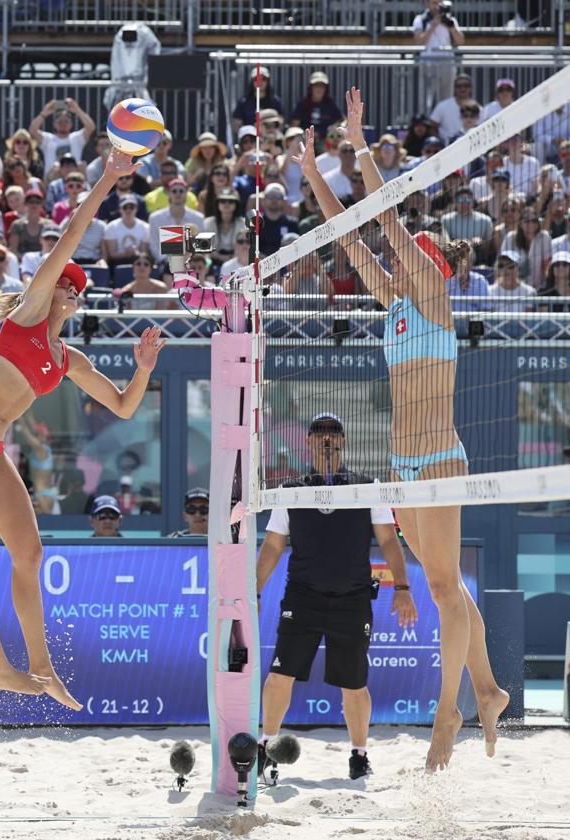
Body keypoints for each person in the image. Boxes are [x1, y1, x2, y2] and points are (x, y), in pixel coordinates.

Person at [305, 89, 509, 771]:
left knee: (447, 589)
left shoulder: (435, 297)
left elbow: (386, 224)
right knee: (445, 586)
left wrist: (360, 144)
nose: (399, 259)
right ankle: (488, 688)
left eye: (413, 255)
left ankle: (446, 713)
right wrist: (312, 174)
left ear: (431, 266)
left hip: (441, 458)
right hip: (402, 466)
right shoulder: (393, 303)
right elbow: (352, 236)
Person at [0, 150, 165, 710]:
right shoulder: (29, 314)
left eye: (79, 288)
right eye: (69, 283)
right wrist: (107, 177)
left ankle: (42, 667)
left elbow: (124, 407)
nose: (74, 290)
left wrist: (144, 369)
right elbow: (72, 236)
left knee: (30, 553)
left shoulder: (67, 357)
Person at [257, 411, 417, 781]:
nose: (326, 438)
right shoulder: (292, 490)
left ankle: (359, 756)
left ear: (342, 440)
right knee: (281, 674)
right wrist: (254, 590)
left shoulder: (367, 486)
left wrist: (403, 588)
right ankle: (265, 745)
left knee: (354, 683)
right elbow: (273, 546)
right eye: (319, 433)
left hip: (351, 597)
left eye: (333, 433)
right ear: (309, 441)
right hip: (303, 596)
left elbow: (389, 539)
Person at [413, 0, 464, 112]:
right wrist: (433, 25)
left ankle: (444, 124)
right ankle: (425, 121)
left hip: (447, 63)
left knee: (446, 98)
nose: (436, 6)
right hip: (427, 63)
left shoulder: (451, 20)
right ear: (427, 3)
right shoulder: (421, 20)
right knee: (425, 98)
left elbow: (460, 41)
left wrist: (450, 25)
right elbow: (419, 41)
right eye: (433, 3)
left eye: (438, 3)